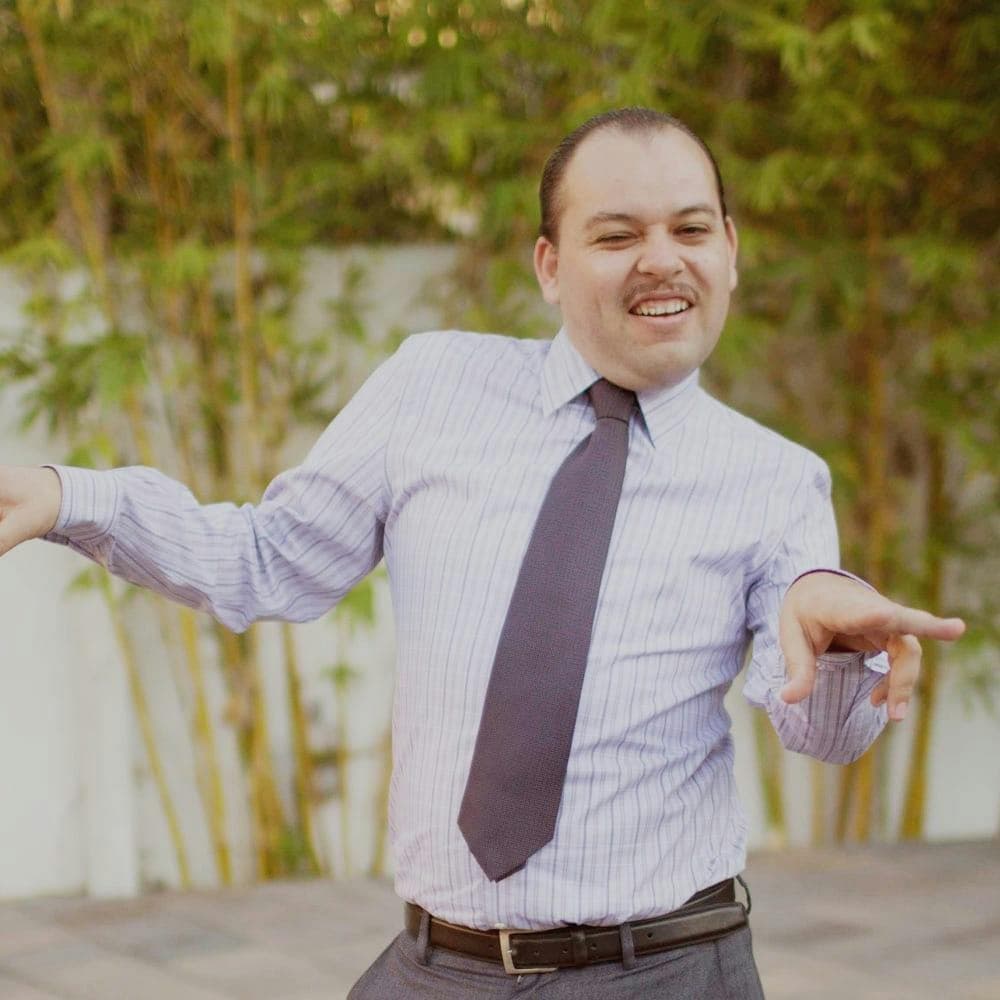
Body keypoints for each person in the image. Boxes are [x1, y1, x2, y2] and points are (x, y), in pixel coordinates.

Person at [0, 108, 964, 998]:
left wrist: (842, 656)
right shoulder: (432, 387)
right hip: (436, 966)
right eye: (617, 235)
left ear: (731, 252)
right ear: (549, 265)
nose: (661, 260)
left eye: (692, 229)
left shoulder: (777, 478)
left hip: (663, 972)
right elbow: (269, 560)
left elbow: (821, 732)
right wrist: (69, 497)